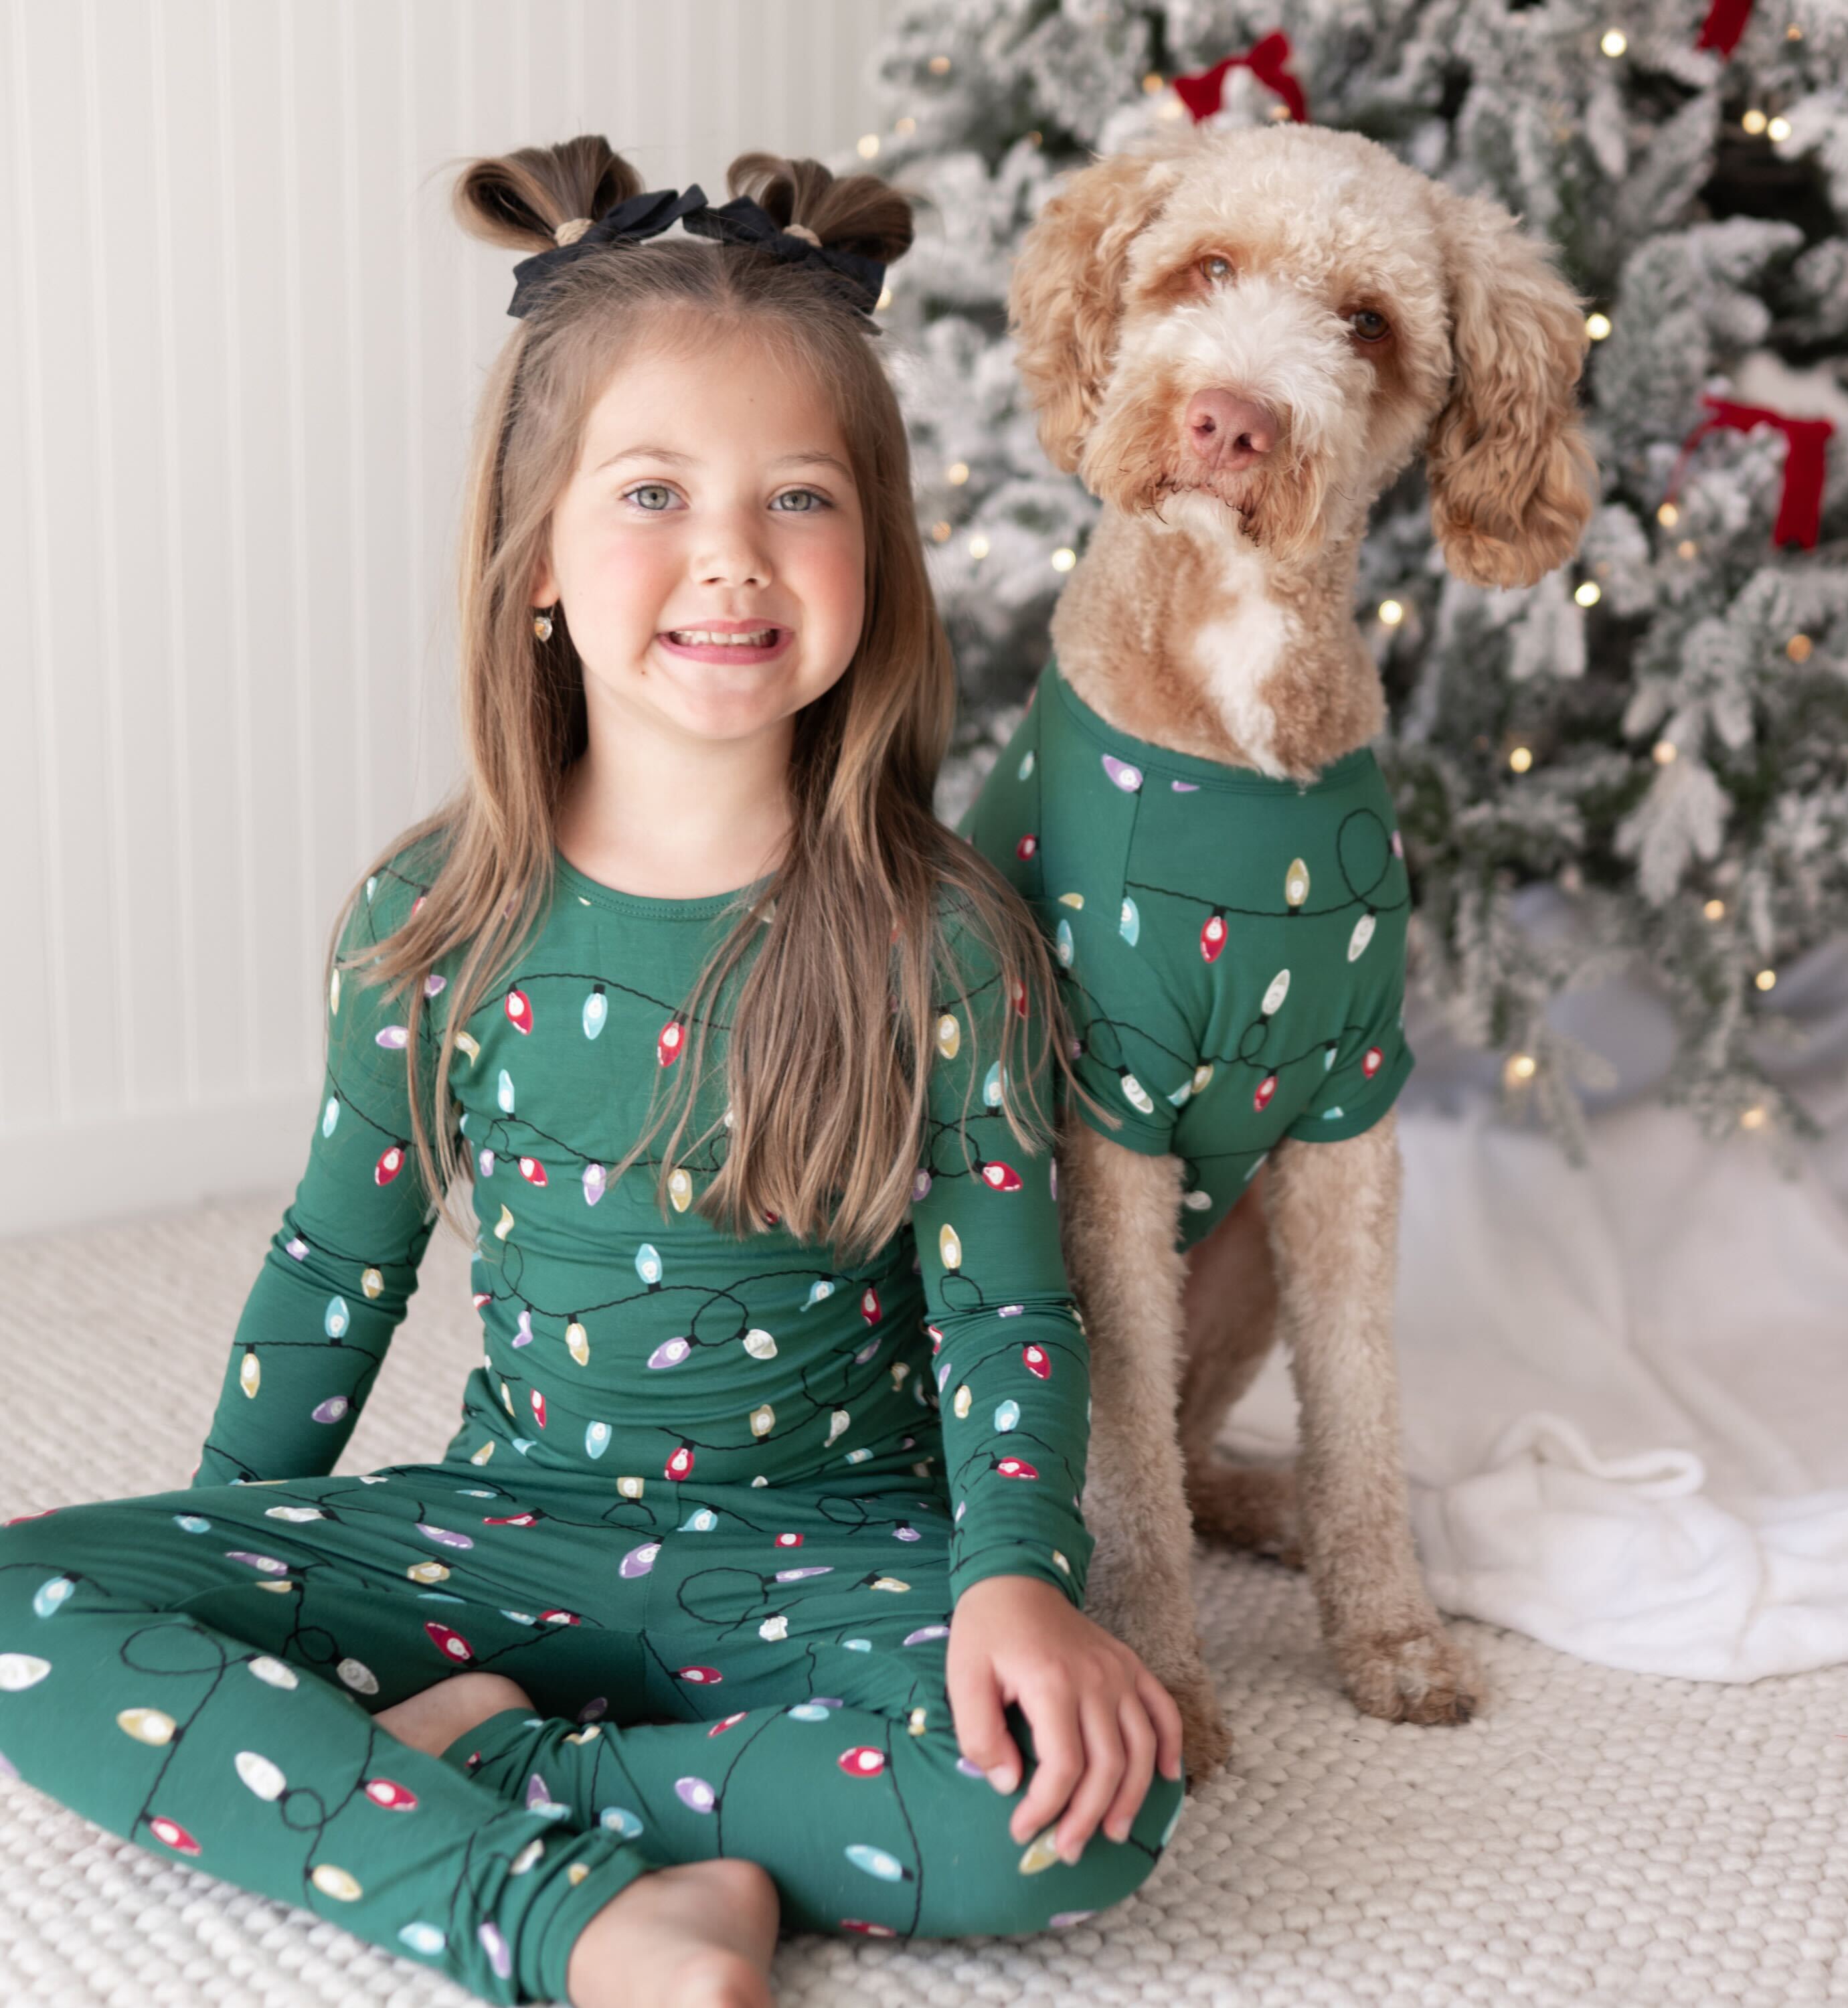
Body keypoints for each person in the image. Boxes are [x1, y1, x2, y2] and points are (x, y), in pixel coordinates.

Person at [0, 136, 1183, 2008]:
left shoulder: (938, 938)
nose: (730, 554)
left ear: (873, 549)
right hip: (507, 1523)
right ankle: (585, 1910)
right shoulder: (433, 920)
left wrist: (1017, 1577)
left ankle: (496, 1774)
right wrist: (242, 1560)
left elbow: (1003, 1320)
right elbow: (331, 1276)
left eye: (799, 497)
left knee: (1076, 1800)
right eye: (652, 493)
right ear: (538, 555)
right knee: (20, 1613)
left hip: (832, 1556)